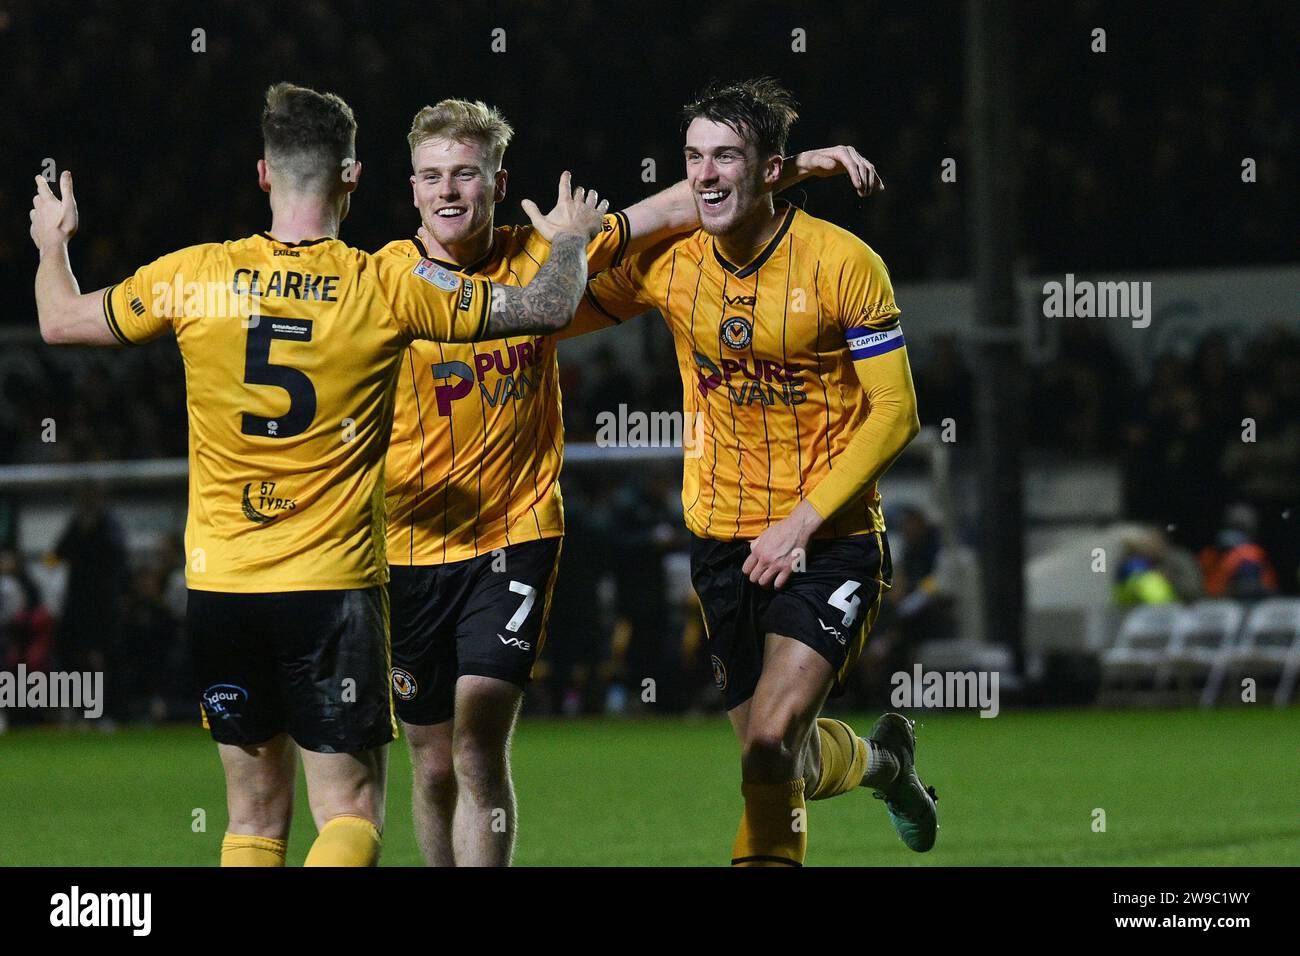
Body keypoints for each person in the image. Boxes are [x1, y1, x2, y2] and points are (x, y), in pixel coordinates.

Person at [30, 82, 605, 866]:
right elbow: (544, 307)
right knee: (350, 810)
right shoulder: (385, 284)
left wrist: (50, 244)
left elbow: (60, 321)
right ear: (354, 177)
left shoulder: (193, 275)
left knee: (252, 820)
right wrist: (569, 240)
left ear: (263, 175)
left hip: (221, 586)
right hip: (331, 588)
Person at [375, 97, 880, 865]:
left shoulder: (543, 260)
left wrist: (784, 171)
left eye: (466, 174)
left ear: (499, 183)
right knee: (434, 762)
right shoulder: (382, 284)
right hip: (412, 542)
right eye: (432, 177)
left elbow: (668, 211)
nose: (449, 191)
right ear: (411, 189)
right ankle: (880, 761)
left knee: (477, 745)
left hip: (516, 536)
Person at [565, 77, 936, 865]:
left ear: (771, 170)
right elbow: (554, 304)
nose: (704, 175)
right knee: (779, 759)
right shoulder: (668, 264)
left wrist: (802, 520)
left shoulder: (844, 263)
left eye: (727, 157)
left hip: (827, 540)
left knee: (768, 741)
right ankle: (886, 765)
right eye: (693, 158)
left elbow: (896, 414)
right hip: (722, 546)